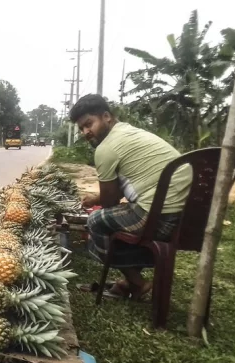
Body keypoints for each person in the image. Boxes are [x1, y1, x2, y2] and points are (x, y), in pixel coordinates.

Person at [71, 94, 192, 300]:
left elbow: (110, 203)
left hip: (160, 218)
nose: (86, 132)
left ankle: (139, 283)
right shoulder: (129, 133)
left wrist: (100, 202)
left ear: (106, 116)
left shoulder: (106, 148)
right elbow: (121, 188)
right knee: (120, 216)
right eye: (82, 128)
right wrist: (96, 198)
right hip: (186, 216)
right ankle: (130, 281)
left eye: (89, 124)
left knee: (97, 221)